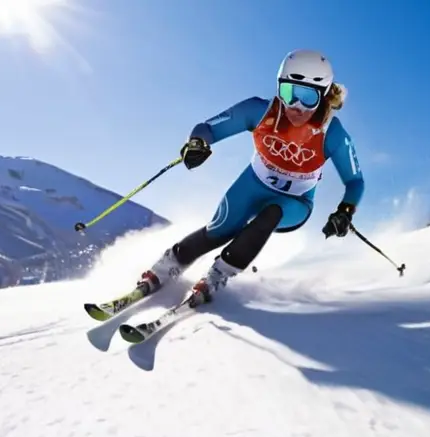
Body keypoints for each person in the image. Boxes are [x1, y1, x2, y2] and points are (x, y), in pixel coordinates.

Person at [134, 49, 364, 306]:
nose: (296, 107)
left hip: (295, 202)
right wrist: (198, 142)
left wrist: (345, 211)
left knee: (271, 213)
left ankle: (218, 275)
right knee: (219, 230)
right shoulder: (259, 110)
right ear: (279, 88)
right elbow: (209, 128)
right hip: (252, 185)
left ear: (322, 96)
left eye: (308, 97)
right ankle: (164, 268)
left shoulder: (331, 132)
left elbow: (355, 181)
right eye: (289, 93)